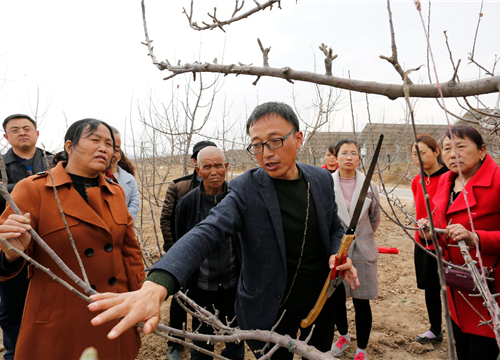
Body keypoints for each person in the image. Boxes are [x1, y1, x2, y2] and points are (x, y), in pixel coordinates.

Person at [89, 102, 359, 360]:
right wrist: (158, 283)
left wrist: (338, 253)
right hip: (271, 308)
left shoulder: (320, 179)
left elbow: (333, 225)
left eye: (275, 141)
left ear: (298, 139)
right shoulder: (246, 188)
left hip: (320, 302)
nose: (266, 153)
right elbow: (207, 231)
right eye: (256, 145)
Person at [0, 119, 146, 360]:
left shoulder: (115, 191)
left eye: (109, 144)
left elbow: (131, 255)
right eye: (95, 140)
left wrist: (140, 301)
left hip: (113, 311)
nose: (104, 148)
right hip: (61, 319)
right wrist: (11, 253)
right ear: (69, 146)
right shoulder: (33, 189)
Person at [418, 126, 500, 359]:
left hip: (493, 289)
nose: (452, 153)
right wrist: (429, 232)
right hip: (459, 289)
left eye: (461, 146)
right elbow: (442, 228)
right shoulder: (446, 182)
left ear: (482, 151)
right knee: (462, 348)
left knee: (485, 351)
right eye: (447, 148)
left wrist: (476, 237)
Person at [0, 114, 52, 360]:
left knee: (51, 298)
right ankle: (16, 352)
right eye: (15, 130)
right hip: (10, 242)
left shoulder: (53, 160)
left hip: (49, 240)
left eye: (26, 128)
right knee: (13, 302)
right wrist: (35, 186)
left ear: (36, 133)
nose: (22, 133)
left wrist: (10, 187)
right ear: (6, 136)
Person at [174, 146, 244, 360]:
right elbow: (181, 245)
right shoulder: (186, 204)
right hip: (201, 288)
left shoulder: (239, 200)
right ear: (197, 169)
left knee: (234, 340)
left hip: (233, 285)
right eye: (207, 167)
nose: (213, 171)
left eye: (218, 165)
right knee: (202, 344)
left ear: (226, 167)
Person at [159, 139, 216, 360]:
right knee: (180, 299)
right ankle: (176, 343)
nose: (210, 167)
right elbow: (166, 219)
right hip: (183, 255)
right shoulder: (179, 186)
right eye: (204, 160)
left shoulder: (222, 186)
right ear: (196, 163)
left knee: (205, 301)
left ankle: (205, 338)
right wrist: (175, 253)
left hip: (209, 258)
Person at [330, 139, 381, 360]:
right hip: (337, 252)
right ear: (336, 157)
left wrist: (363, 236)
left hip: (363, 250)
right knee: (336, 299)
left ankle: (361, 349)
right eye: (344, 153)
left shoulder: (370, 185)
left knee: (362, 303)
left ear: (359, 158)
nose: (349, 157)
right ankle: (343, 336)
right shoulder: (326, 183)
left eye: (354, 153)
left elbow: (374, 218)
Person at [410, 134, 448, 344]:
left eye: (423, 153)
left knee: (451, 287)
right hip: (423, 241)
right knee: (431, 287)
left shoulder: (450, 177)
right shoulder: (417, 180)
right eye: (414, 155)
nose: (418, 158)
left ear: (436, 151)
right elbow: (418, 211)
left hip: (445, 242)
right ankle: (435, 329)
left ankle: (457, 329)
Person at [108, 127, 140, 222]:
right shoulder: (93, 176)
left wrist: (122, 223)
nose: (113, 153)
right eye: (109, 147)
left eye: (117, 150)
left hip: (126, 229)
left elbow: (134, 205)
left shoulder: (129, 179)